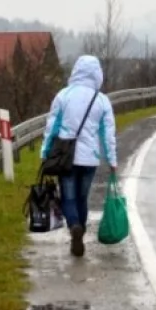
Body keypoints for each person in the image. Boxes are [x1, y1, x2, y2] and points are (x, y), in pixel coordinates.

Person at [40, 55, 118, 257]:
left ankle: (74, 226)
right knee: (83, 198)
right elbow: (107, 133)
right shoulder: (101, 100)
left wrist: (45, 151)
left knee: (68, 197)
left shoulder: (63, 96)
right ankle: (80, 231)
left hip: (66, 157)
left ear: (75, 71)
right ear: (97, 74)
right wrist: (112, 160)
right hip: (90, 159)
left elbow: (52, 126)